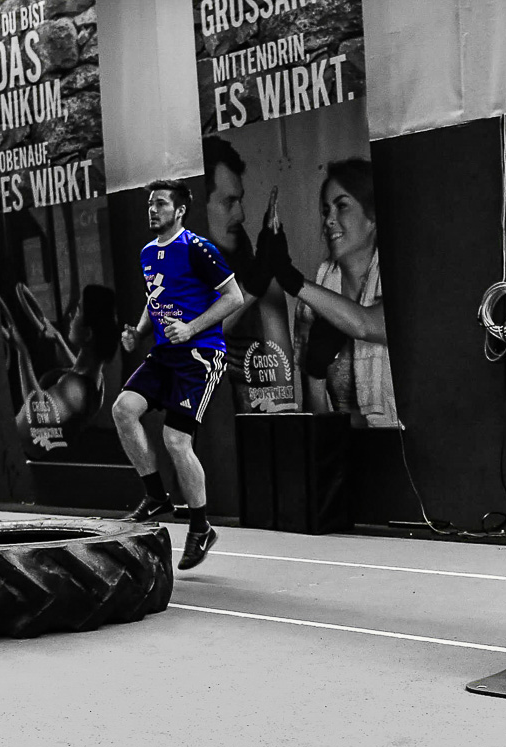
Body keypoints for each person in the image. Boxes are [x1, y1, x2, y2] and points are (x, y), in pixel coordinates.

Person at [114, 179, 244, 569]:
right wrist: (138, 330)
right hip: (164, 354)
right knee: (123, 409)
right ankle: (156, 496)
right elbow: (155, 296)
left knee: (175, 440)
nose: (152, 210)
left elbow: (234, 298)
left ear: (180, 210)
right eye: (150, 204)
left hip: (201, 355)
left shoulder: (198, 248)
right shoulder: (147, 253)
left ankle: (201, 527)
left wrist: (191, 328)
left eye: (161, 204)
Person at [268, 158, 398, 429]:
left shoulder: (398, 273)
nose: (329, 220)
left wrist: (291, 279)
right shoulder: (317, 295)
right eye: (326, 210)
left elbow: (367, 324)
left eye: (342, 206)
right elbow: (316, 419)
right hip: (345, 455)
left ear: (372, 217)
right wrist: (314, 375)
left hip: (399, 449)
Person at [202, 136, 297, 413]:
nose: (241, 214)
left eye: (240, 200)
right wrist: (253, 286)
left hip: (255, 431)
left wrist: (265, 277)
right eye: (228, 202)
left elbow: (282, 387)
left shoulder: (253, 265)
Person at [1, 282, 118, 457]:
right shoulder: (95, 379)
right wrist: (58, 340)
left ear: (88, 334)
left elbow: (37, 418)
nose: (71, 314)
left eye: (78, 311)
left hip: (16, 455)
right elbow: (74, 370)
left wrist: (22, 352)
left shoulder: (75, 389)